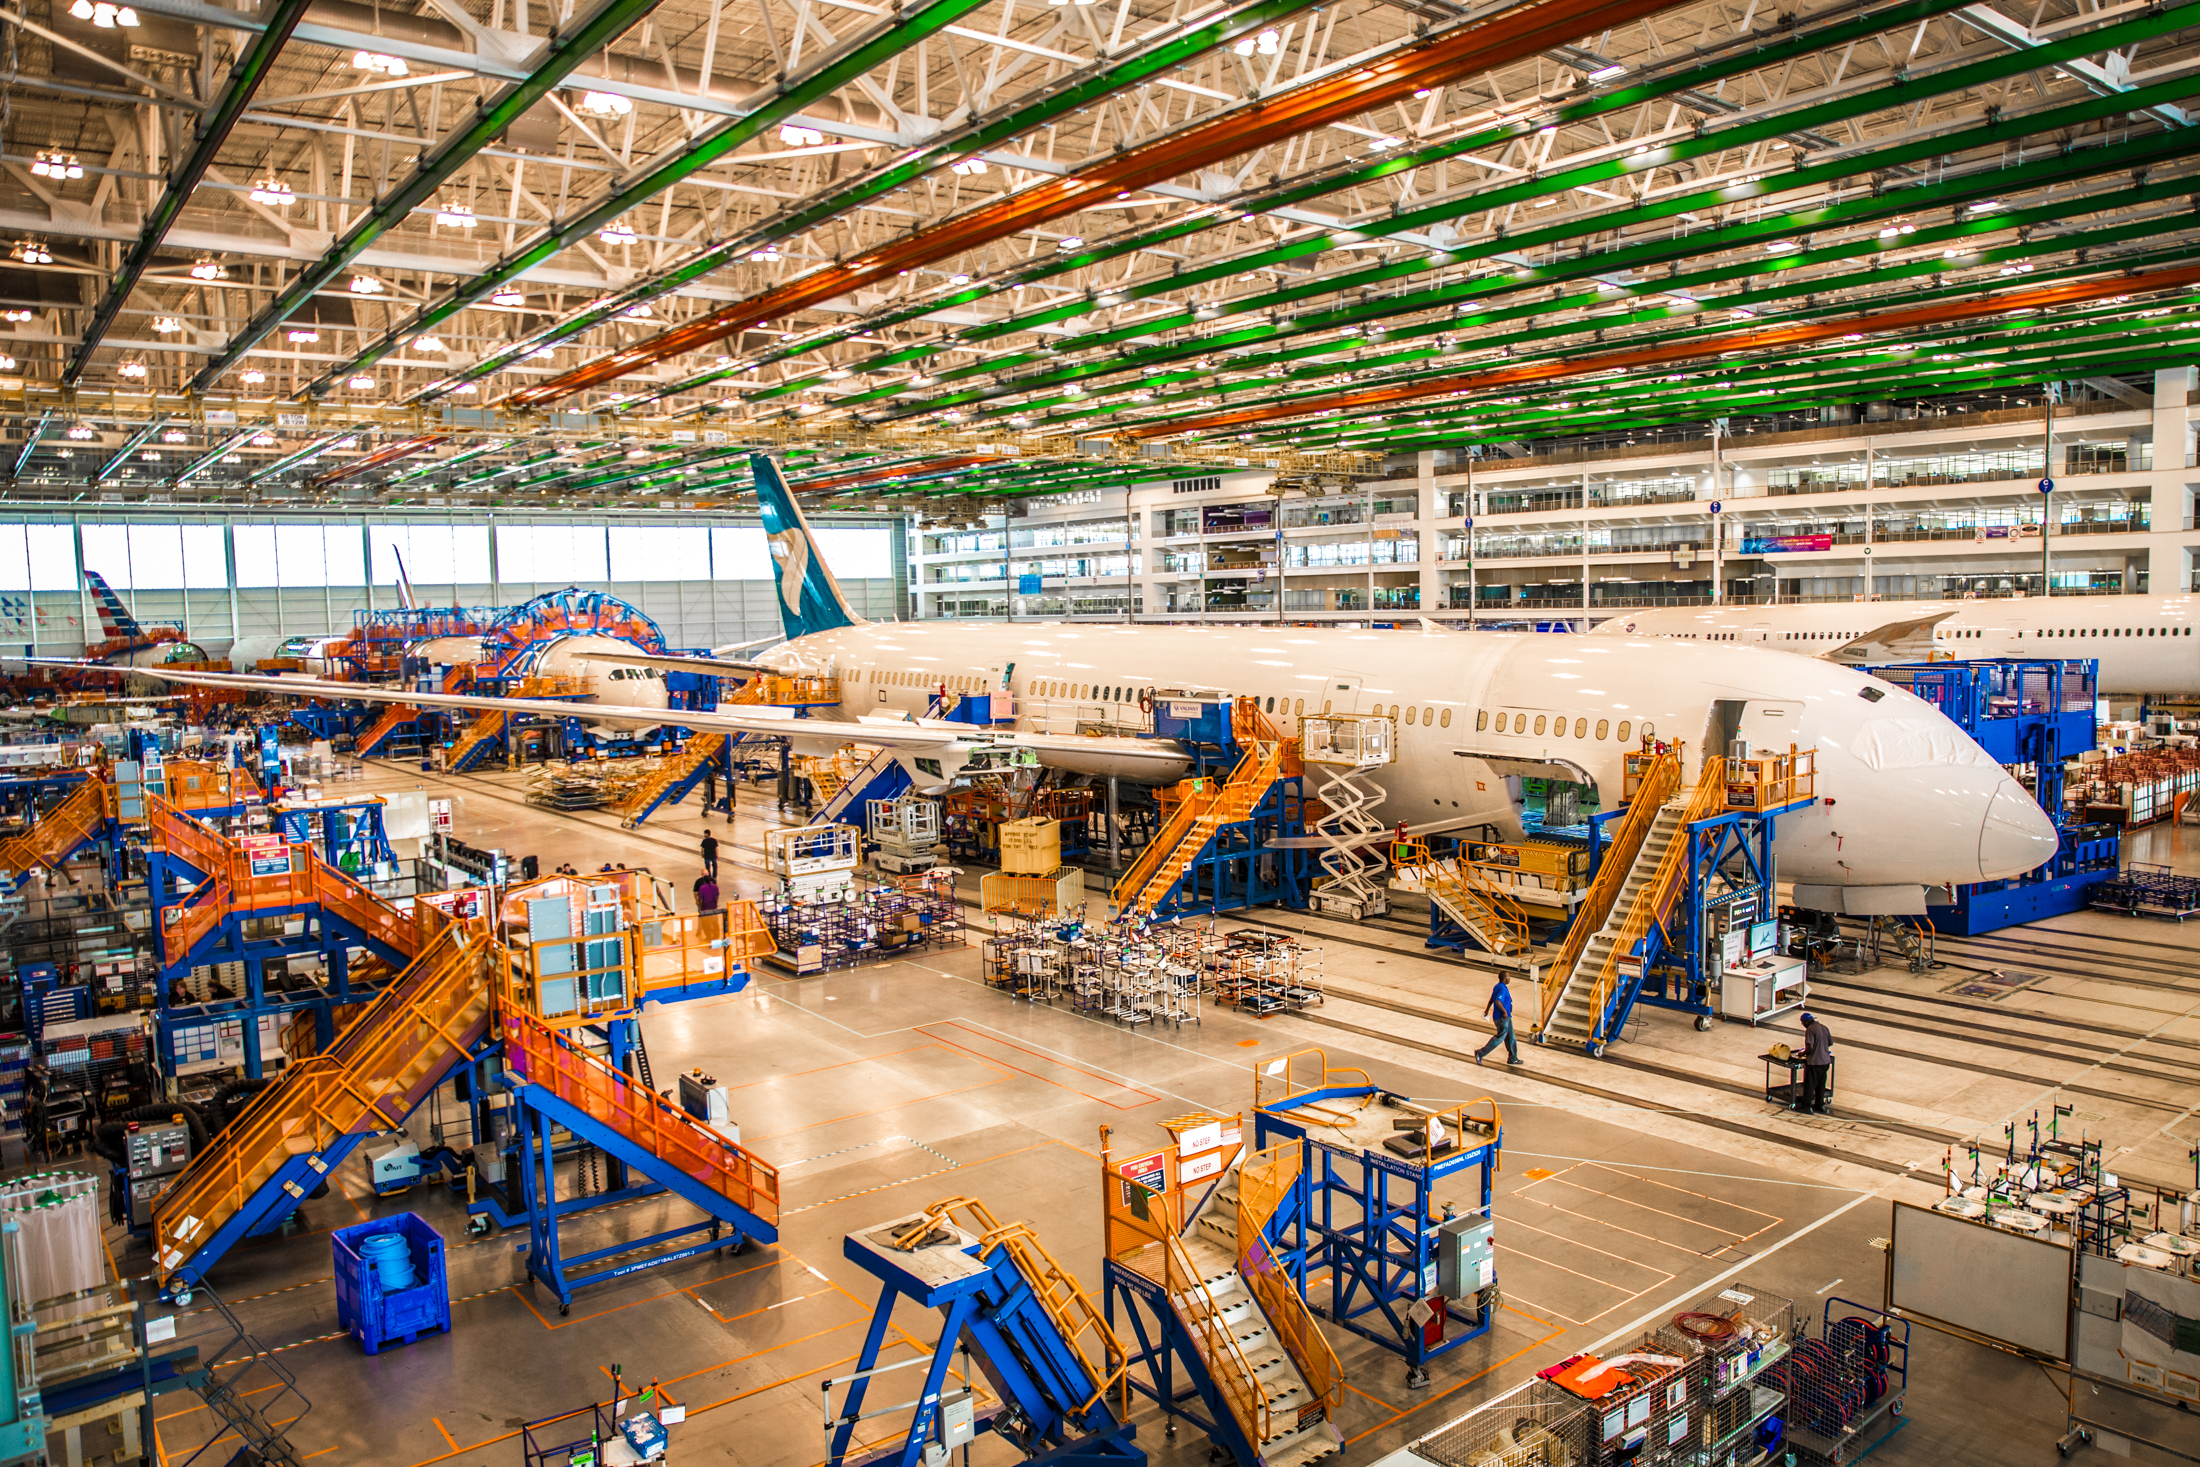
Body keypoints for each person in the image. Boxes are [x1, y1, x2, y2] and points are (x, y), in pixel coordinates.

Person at [1474, 973, 1523, 1066]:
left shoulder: (1498, 987)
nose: (1509, 978)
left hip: (1507, 1017)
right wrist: (1504, 1012)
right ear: (1504, 979)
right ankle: (1480, 1053)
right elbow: (1497, 1001)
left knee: (1511, 1037)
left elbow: (1491, 1000)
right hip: (1502, 1018)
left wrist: (1486, 1010)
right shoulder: (1502, 989)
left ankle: (1513, 1058)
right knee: (1499, 1038)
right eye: (1508, 977)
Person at [1799, 1012, 1833, 1114]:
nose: (1803, 1025)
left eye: (1802, 1023)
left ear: (1806, 1021)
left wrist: (1802, 1053)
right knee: (1821, 1085)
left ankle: (1807, 1107)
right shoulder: (1824, 1028)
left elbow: (1810, 1047)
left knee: (1810, 1084)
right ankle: (1819, 1105)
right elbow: (1830, 1043)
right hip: (1825, 1061)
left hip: (1815, 1062)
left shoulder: (1810, 1030)